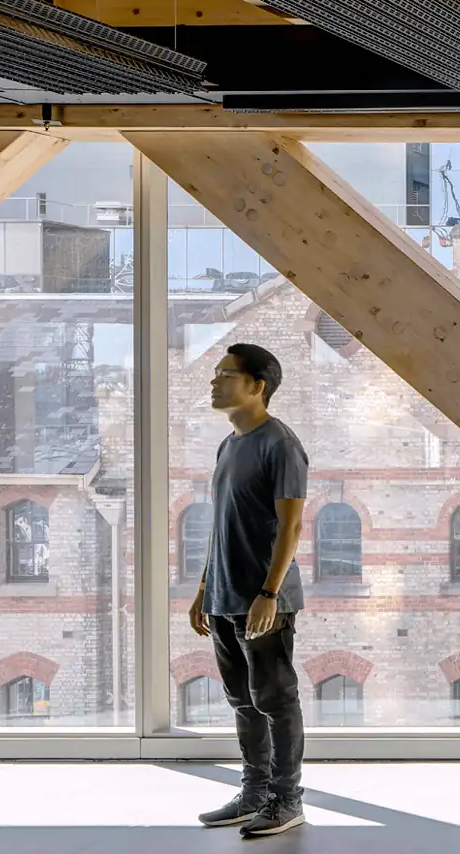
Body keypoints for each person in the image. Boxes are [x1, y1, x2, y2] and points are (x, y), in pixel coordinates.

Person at [191, 342, 310, 837]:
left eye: (226, 374)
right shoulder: (228, 445)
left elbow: (292, 527)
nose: (214, 381)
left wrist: (270, 593)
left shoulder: (279, 444)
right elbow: (223, 526)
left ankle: (287, 801)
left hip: (263, 599)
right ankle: (254, 794)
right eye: (216, 374)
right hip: (224, 595)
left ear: (257, 386)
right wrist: (203, 588)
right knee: (242, 700)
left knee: (275, 698)